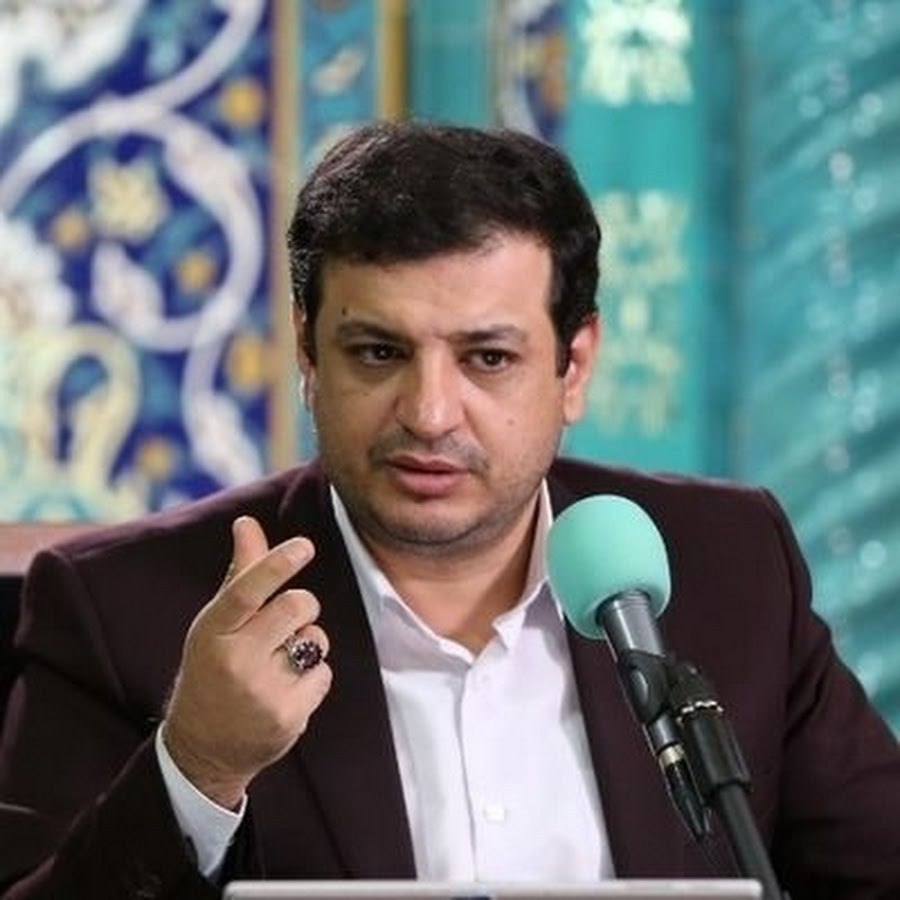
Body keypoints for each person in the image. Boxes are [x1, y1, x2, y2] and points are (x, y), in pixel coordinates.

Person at [1, 121, 899, 900]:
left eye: (488, 359)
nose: (430, 414)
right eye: (378, 352)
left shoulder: (729, 567)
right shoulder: (126, 610)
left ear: (574, 366)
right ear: (308, 354)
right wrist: (197, 764)